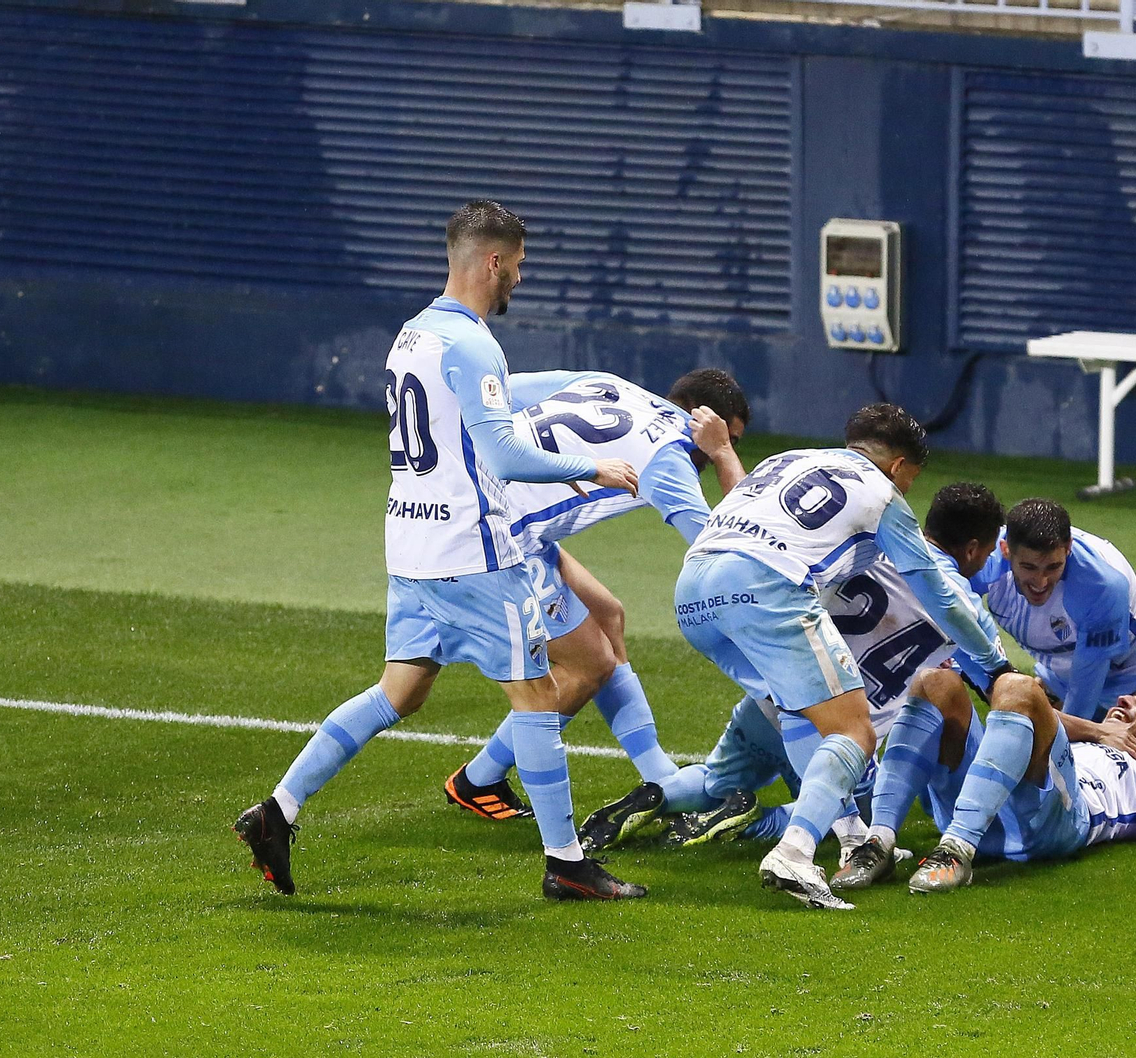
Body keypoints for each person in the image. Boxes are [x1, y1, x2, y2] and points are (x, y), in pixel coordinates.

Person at [232, 200, 646, 901]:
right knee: (539, 697)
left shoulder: (412, 334)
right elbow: (504, 451)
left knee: (400, 691)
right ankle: (567, 864)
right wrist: (590, 466)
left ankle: (278, 808)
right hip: (474, 553)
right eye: (515, 265)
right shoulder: (475, 343)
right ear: (492, 260)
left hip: (412, 547)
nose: (518, 277)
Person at [673, 406, 1013, 910]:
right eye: (911, 479)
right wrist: (994, 663)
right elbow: (939, 594)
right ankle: (794, 850)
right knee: (853, 731)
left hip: (692, 590)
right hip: (767, 585)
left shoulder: (789, 459)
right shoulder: (881, 494)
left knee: (797, 707)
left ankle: (849, 836)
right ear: (898, 468)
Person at [441, 368, 750, 841]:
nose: (723, 446)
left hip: (496, 513)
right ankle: (477, 779)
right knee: (589, 665)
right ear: (702, 419)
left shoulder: (611, 384)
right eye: (730, 434)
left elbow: (497, 392)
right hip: (499, 538)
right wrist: (723, 452)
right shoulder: (669, 459)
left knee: (608, 616)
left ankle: (656, 771)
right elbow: (721, 545)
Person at [647, 482, 1011, 854]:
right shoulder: (965, 610)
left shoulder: (871, 549)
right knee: (862, 805)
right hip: (839, 725)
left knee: (715, 780)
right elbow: (1004, 696)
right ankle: (759, 823)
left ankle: (658, 794)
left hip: (777, 696)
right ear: (972, 549)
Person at [831, 666, 1136, 894]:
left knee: (1020, 688)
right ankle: (878, 843)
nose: (1125, 701)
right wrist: (1099, 729)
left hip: (1056, 823)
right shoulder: (1090, 738)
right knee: (935, 683)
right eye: (1128, 697)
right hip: (988, 806)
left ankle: (955, 852)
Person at [971, 498, 1136, 796]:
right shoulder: (984, 557)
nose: (1041, 581)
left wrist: (1067, 754)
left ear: (1068, 549)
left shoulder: (1101, 586)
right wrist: (991, 683)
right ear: (1006, 551)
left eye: (1053, 566)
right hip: (1061, 668)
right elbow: (951, 617)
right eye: (1029, 567)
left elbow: (1082, 700)